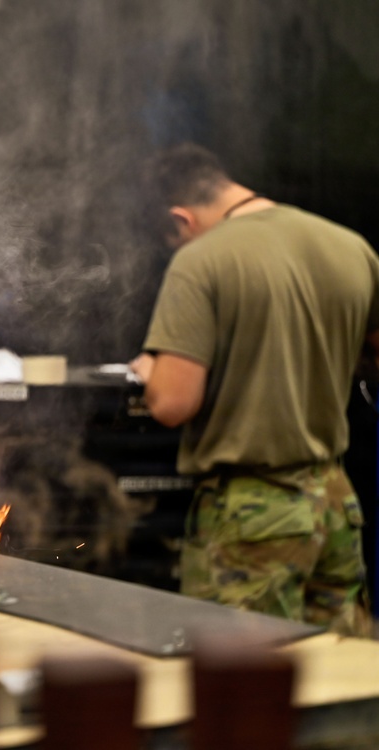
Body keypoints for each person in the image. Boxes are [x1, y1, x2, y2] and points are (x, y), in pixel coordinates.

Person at [130, 142, 379, 636]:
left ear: (180, 219)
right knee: (342, 681)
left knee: (243, 691)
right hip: (336, 506)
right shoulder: (352, 247)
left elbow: (174, 404)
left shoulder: (200, 260)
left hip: (251, 514)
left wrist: (150, 369)